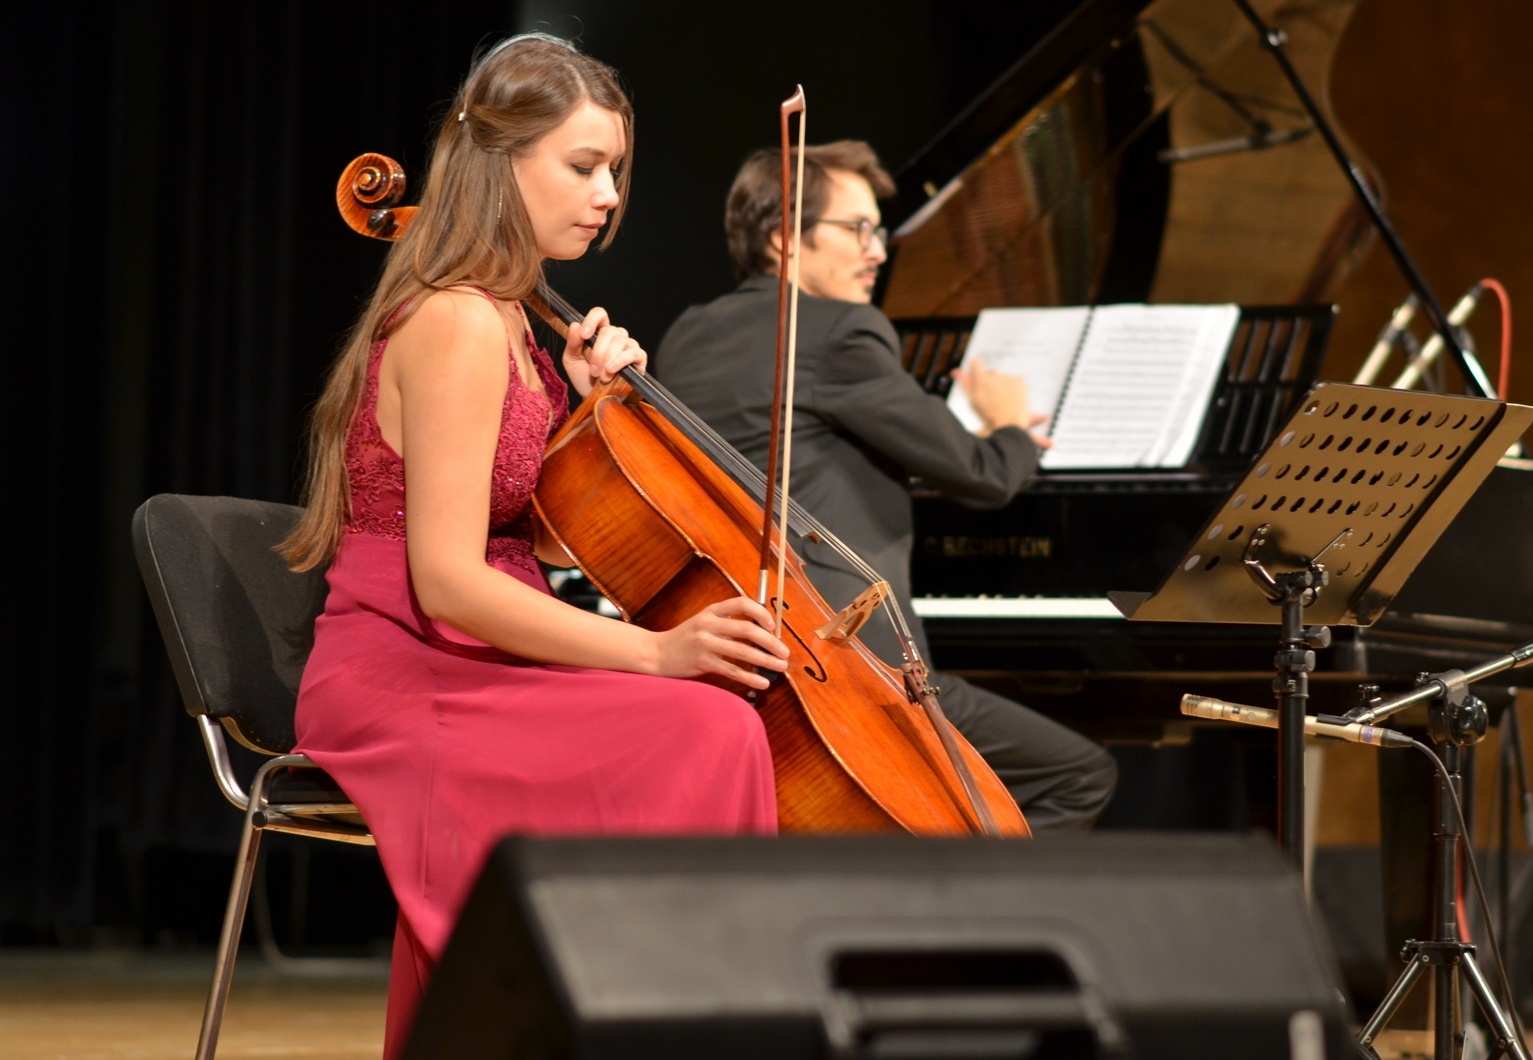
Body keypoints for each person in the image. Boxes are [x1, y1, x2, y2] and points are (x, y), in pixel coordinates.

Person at [279, 35, 789, 1058]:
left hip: (457, 649)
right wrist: (658, 651)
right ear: (500, 162)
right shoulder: (462, 323)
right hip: (407, 666)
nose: (607, 194)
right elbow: (450, 580)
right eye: (582, 164)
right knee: (709, 729)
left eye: (616, 170)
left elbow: (529, 533)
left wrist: (587, 414)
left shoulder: (511, 324)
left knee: (715, 721)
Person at [655, 140, 1117, 835]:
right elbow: (982, 474)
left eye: (879, 231)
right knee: (1079, 774)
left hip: (735, 663)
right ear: (785, 237)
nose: (877, 250)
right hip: (857, 674)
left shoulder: (688, 334)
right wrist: (1012, 425)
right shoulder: (841, 331)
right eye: (858, 229)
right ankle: (948, 920)